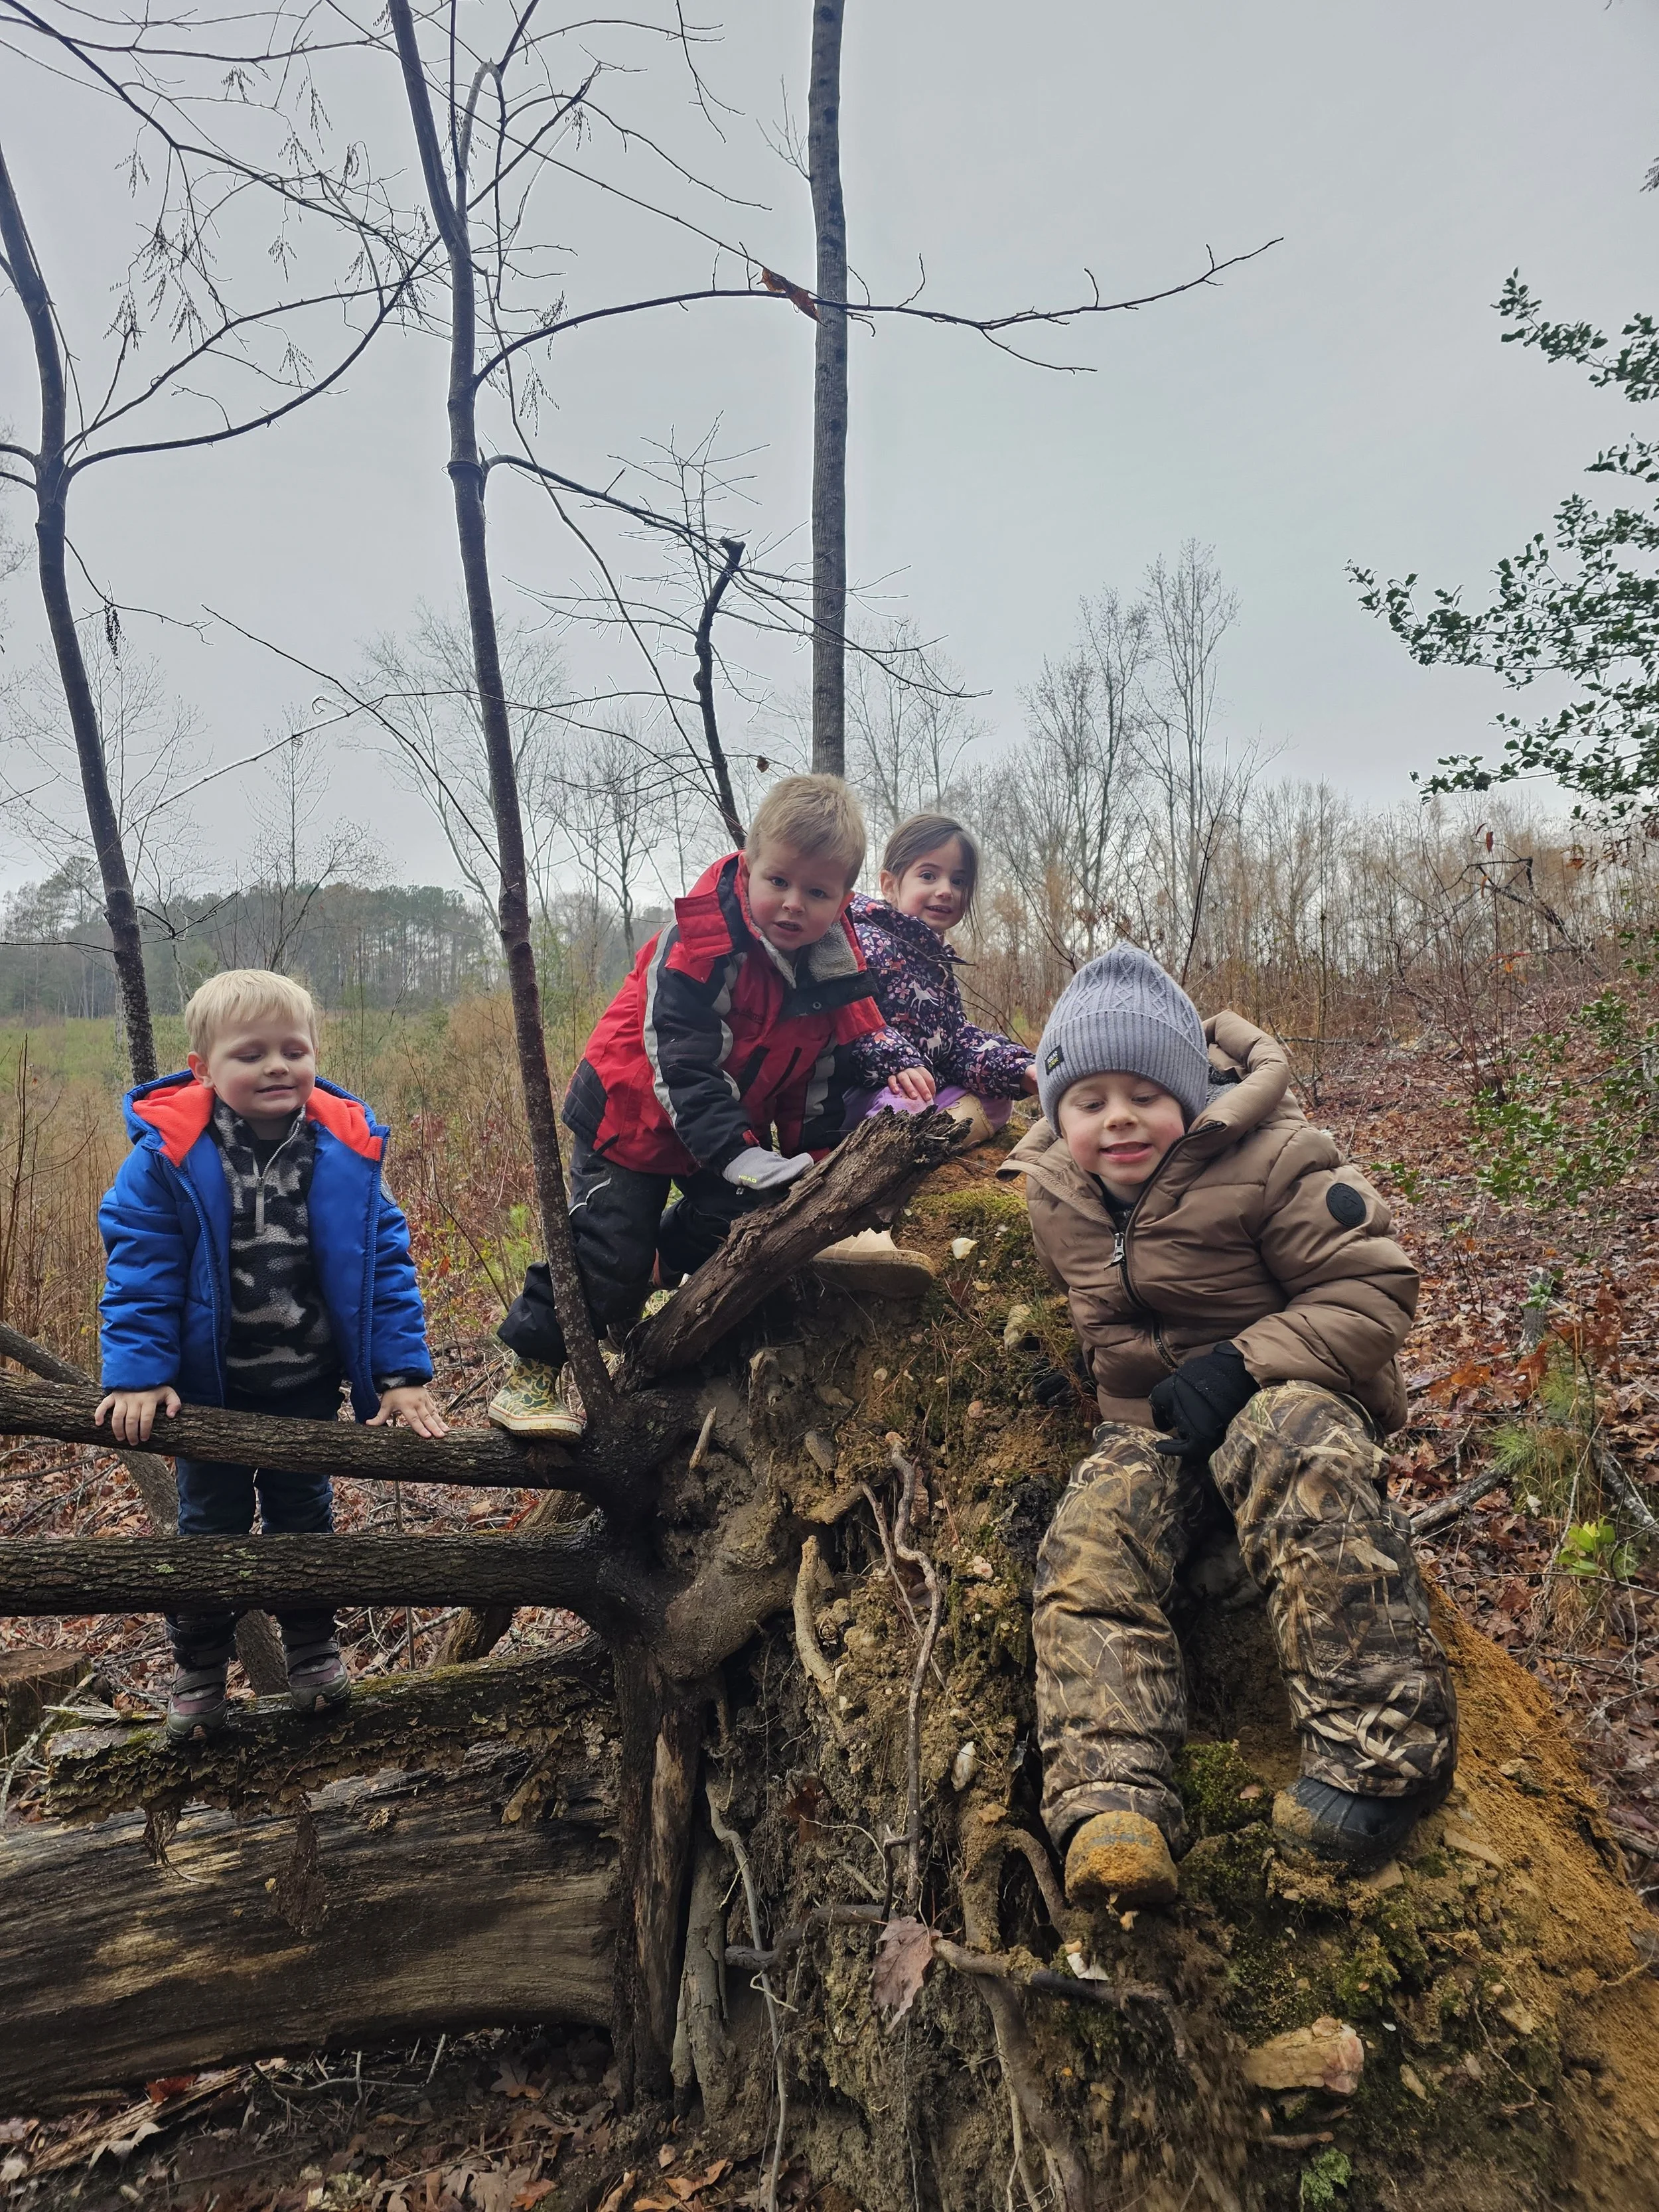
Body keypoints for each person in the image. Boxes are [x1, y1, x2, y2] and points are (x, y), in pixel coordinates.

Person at [999, 942, 1457, 1909]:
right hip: (1155, 1428)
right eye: (1088, 1101)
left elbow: (1376, 1290)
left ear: (1190, 1095)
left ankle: (1378, 1759)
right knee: (1089, 1543)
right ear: (1059, 1117)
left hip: (1285, 1394)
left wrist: (1242, 1362)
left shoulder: (1273, 1157)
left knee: (1293, 1442)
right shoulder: (1056, 1192)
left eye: (1142, 1094)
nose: (1117, 1118)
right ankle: (1111, 1802)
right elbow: (1094, 1309)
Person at [96, 969, 447, 1744]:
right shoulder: (169, 1158)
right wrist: (139, 1374)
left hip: (303, 1383)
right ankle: (198, 1673)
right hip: (207, 1391)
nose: (277, 1066)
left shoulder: (340, 1151)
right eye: (251, 1054)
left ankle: (313, 1655)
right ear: (203, 1069)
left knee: (303, 1518)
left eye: (294, 1049)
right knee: (209, 1528)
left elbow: (381, 1264)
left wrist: (400, 1376)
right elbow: (140, 1267)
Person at [488, 773, 891, 1438]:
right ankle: (532, 1366)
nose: (792, 905)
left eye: (816, 892)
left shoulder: (830, 972)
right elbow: (680, 1061)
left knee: (749, 1214)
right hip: (631, 1116)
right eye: (778, 882)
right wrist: (737, 1152)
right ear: (748, 865)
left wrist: (816, 1163)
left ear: (844, 898)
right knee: (607, 1252)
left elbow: (816, 1079)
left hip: (721, 1128)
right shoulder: (699, 940)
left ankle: (654, 1266)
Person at [841, 814, 1038, 1142]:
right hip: (858, 1091)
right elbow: (850, 1022)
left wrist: (1019, 1069)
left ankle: (920, 1146)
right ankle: (877, 1151)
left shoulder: (937, 962)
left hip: (918, 1086)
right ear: (890, 885)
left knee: (997, 1101)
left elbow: (953, 1041)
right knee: (909, 1106)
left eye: (959, 881)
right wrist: (899, 1062)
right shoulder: (865, 942)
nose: (946, 891)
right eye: (929, 875)